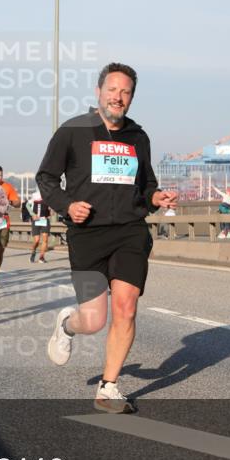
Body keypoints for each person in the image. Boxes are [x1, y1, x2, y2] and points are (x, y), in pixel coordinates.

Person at [36, 62, 178, 414]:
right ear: (99, 92)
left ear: (131, 98)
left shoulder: (138, 137)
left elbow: (146, 186)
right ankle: (68, 326)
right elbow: (47, 178)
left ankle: (108, 386)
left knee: (126, 307)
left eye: (126, 92)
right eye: (113, 89)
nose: (118, 97)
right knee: (94, 320)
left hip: (130, 231)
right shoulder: (72, 131)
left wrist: (156, 198)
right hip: (87, 235)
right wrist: (68, 206)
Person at [29, 191, 51, 264]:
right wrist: (32, 214)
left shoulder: (48, 194)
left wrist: (51, 210)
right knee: (37, 240)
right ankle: (33, 251)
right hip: (36, 220)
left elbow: (52, 207)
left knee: (45, 239)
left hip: (44, 219)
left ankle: (41, 257)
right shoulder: (35, 195)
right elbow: (27, 205)